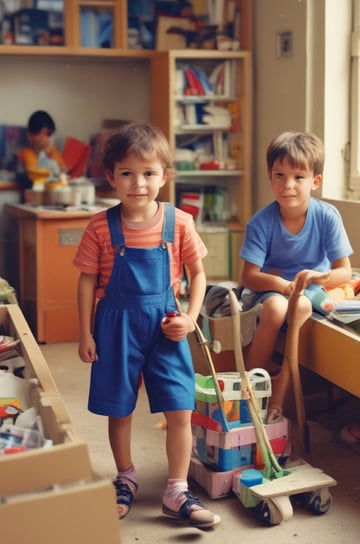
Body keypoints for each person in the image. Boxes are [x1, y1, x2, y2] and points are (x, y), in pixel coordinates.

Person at [72, 121, 221, 529]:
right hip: (114, 326)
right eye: (127, 173)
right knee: (118, 408)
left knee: (180, 408)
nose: (139, 183)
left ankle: (176, 490)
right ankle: (126, 478)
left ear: (165, 176)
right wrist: (85, 332)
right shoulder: (100, 227)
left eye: (149, 173)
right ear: (111, 178)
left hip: (166, 325)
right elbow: (86, 281)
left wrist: (190, 318)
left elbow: (198, 275)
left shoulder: (180, 223)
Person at [240, 131, 353, 414]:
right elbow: (249, 276)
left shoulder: (327, 216)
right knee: (278, 309)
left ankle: (279, 399)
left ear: (315, 181)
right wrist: (280, 283)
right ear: (270, 176)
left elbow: (345, 271)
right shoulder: (261, 222)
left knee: (302, 305)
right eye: (279, 175)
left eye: (298, 177)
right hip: (270, 289)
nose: (287, 185)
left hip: (312, 289)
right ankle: (249, 384)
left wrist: (318, 277)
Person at [17, 110, 67, 189]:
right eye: (46, 134)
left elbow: (62, 172)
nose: (48, 139)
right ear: (30, 135)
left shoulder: (52, 151)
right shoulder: (25, 154)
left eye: (50, 135)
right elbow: (34, 176)